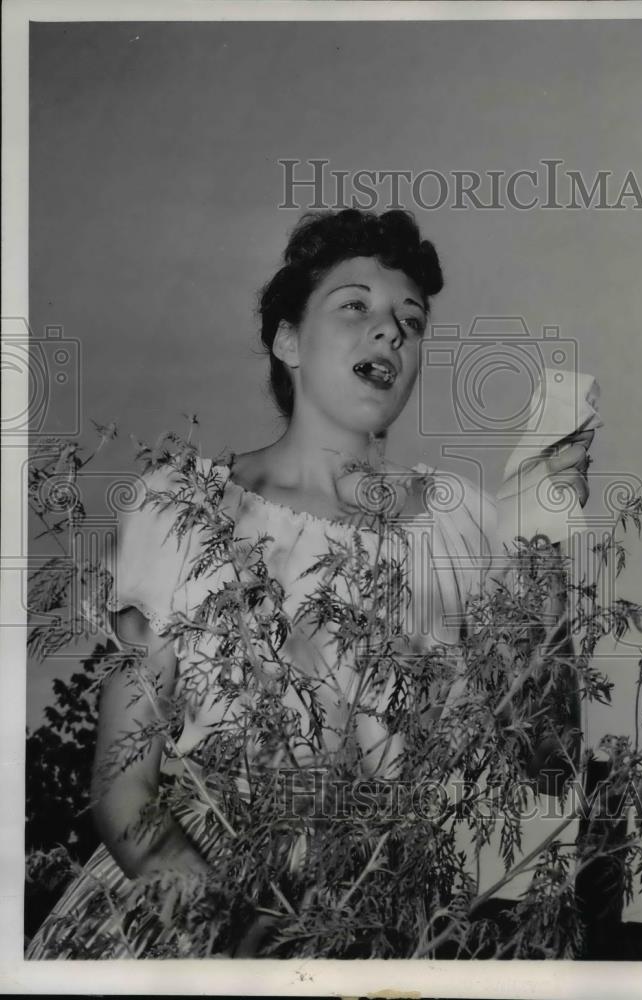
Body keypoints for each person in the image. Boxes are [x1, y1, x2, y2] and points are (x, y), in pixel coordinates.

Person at [26, 208, 593, 959]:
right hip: (186, 904)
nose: (390, 331)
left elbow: (546, 759)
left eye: (411, 321)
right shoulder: (184, 504)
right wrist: (226, 929)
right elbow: (121, 785)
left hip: (374, 915)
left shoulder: (462, 522)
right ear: (286, 338)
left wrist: (542, 548)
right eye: (354, 305)